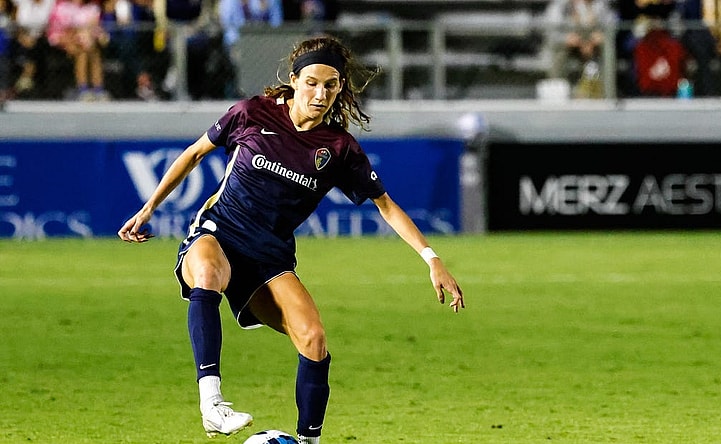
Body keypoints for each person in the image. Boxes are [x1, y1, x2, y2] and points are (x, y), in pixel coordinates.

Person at [118, 35, 465, 444]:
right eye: (314, 83)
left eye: (332, 85)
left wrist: (431, 257)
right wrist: (148, 208)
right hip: (220, 231)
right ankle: (212, 403)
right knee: (208, 273)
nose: (321, 94)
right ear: (295, 80)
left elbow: (385, 205)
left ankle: (308, 441)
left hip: (270, 256)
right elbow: (194, 154)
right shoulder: (250, 113)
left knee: (314, 339)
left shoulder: (338, 148)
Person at [46, 0, 110, 100]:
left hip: (84, 42)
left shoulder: (93, 8)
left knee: (91, 51)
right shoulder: (61, 6)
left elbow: (96, 28)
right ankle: (83, 90)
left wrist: (99, 37)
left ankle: (98, 90)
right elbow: (57, 29)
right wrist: (73, 39)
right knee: (83, 51)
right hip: (62, 41)